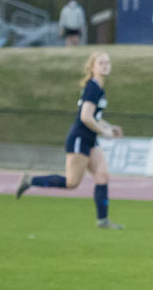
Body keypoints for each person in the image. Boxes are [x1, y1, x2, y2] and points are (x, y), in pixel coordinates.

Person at [16, 52, 124, 229]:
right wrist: (105, 132)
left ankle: (103, 221)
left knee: (102, 175)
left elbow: (95, 116)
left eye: (107, 62)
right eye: (101, 63)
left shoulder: (98, 87)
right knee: (71, 182)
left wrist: (109, 127)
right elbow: (85, 117)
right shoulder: (93, 88)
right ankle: (29, 180)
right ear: (92, 67)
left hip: (90, 139)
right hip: (80, 138)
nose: (105, 65)